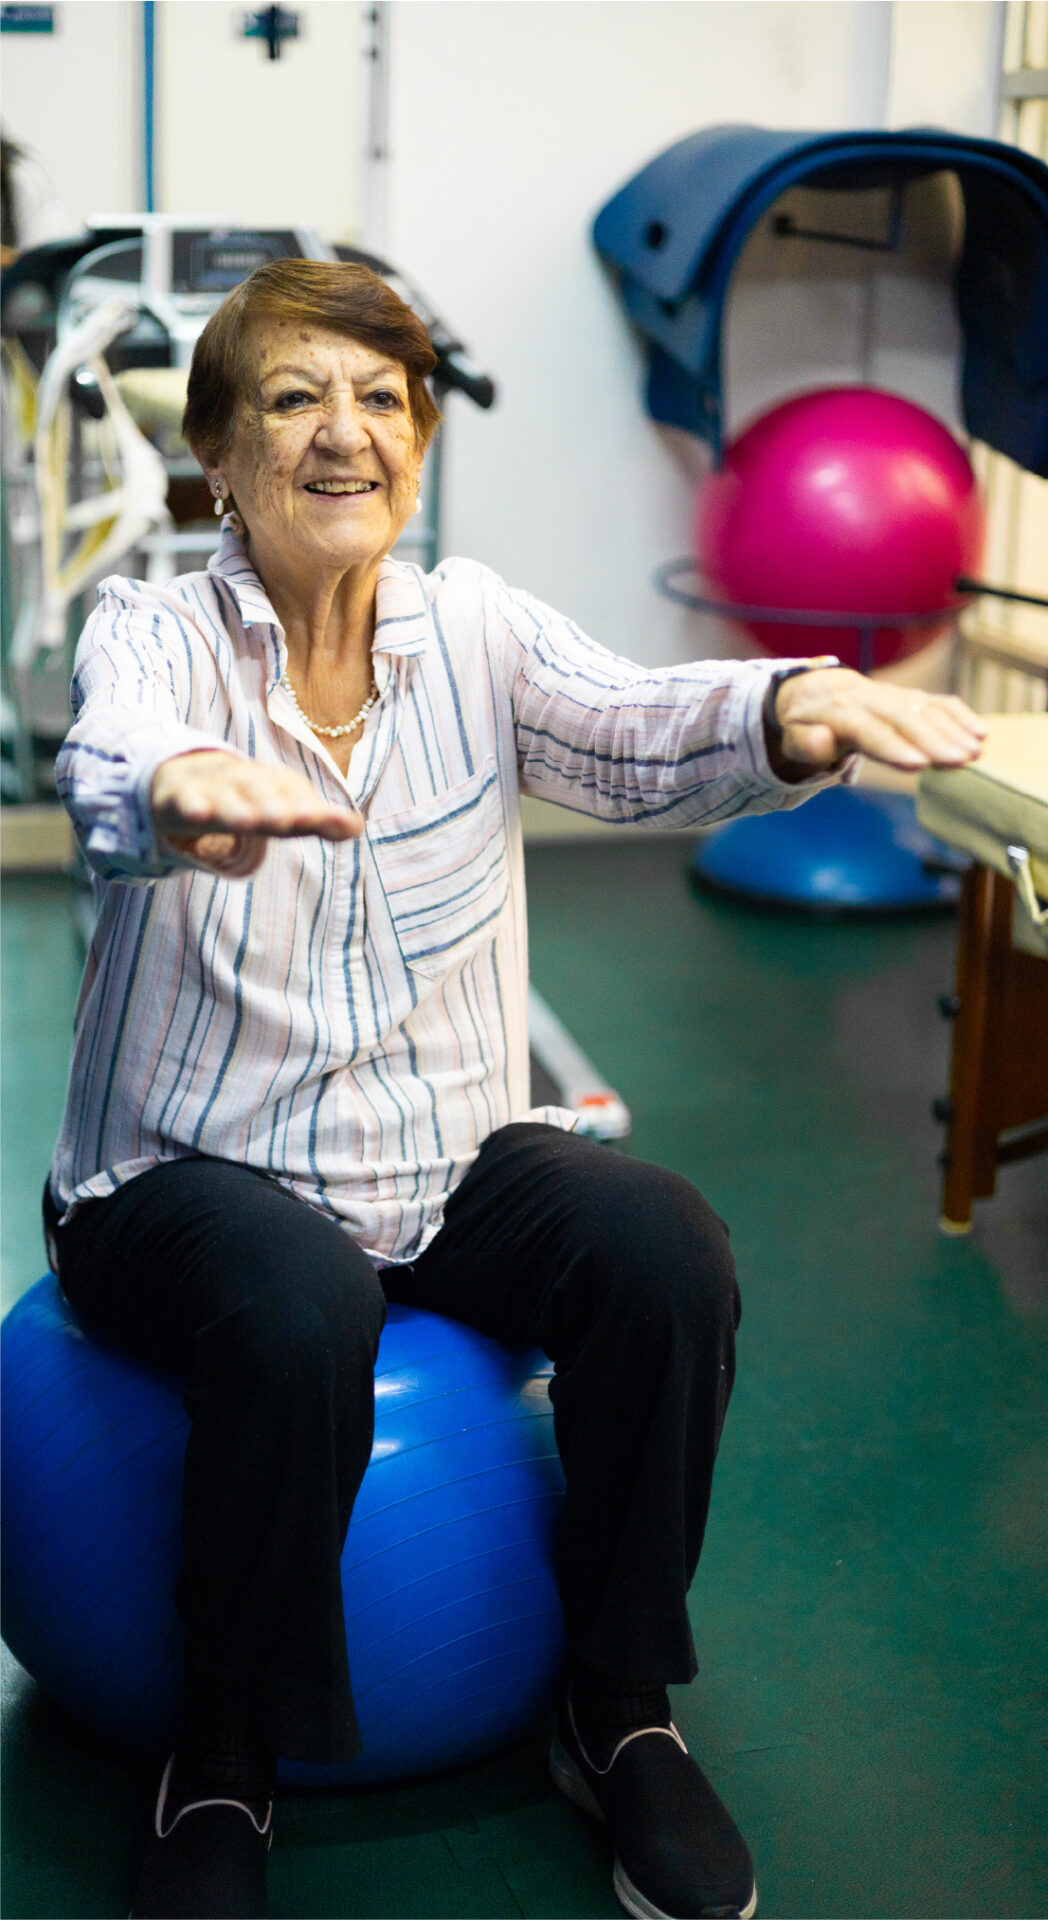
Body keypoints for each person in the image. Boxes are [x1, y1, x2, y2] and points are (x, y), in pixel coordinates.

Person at [45, 259, 986, 1920]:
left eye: (382, 399)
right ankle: (226, 1759)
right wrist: (178, 786)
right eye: (293, 398)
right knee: (294, 1307)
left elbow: (631, 721)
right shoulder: (161, 630)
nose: (347, 434)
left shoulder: (472, 624)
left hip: (439, 1158)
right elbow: (114, 750)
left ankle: (619, 1707)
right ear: (216, 456)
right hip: (189, 1174)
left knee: (661, 1248)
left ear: (417, 439)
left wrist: (789, 702)